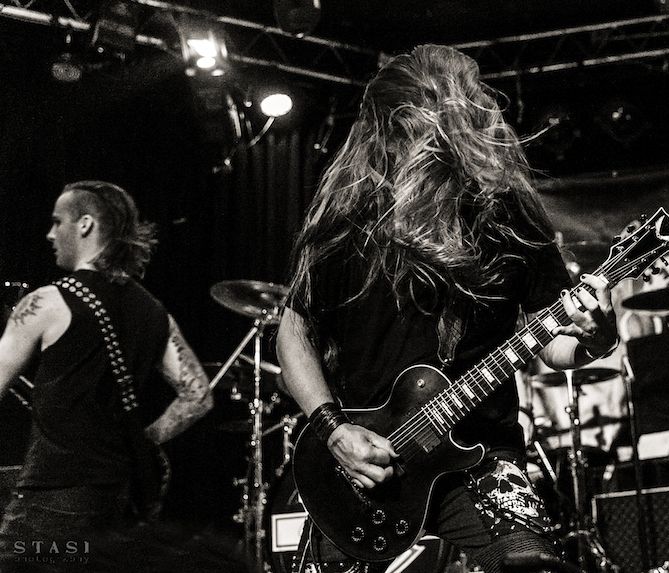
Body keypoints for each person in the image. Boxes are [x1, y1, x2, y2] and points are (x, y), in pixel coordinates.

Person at [276, 45, 619, 572]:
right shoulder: (345, 218)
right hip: (364, 464)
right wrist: (334, 430)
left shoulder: (507, 214)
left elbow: (551, 342)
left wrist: (597, 337)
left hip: (481, 454)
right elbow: (294, 333)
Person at [0, 181, 213, 571]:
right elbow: (198, 395)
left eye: (57, 222)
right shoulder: (154, 311)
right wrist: (145, 439)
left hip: (54, 501)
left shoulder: (47, 301)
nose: (50, 234)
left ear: (84, 224)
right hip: (121, 500)